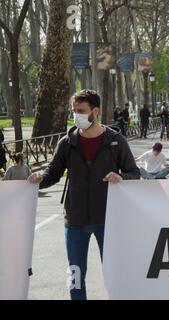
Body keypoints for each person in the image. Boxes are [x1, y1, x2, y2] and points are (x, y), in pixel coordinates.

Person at [27, 89, 140, 300]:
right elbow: (53, 172)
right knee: (75, 276)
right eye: (74, 110)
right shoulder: (67, 143)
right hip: (75, 220)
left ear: (95, 111)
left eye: (81, 110)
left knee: (114, 276)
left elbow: (134, 173)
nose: (76, 115)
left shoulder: (116, 141)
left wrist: (121, 177)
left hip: (108, 220)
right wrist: (40, 178)